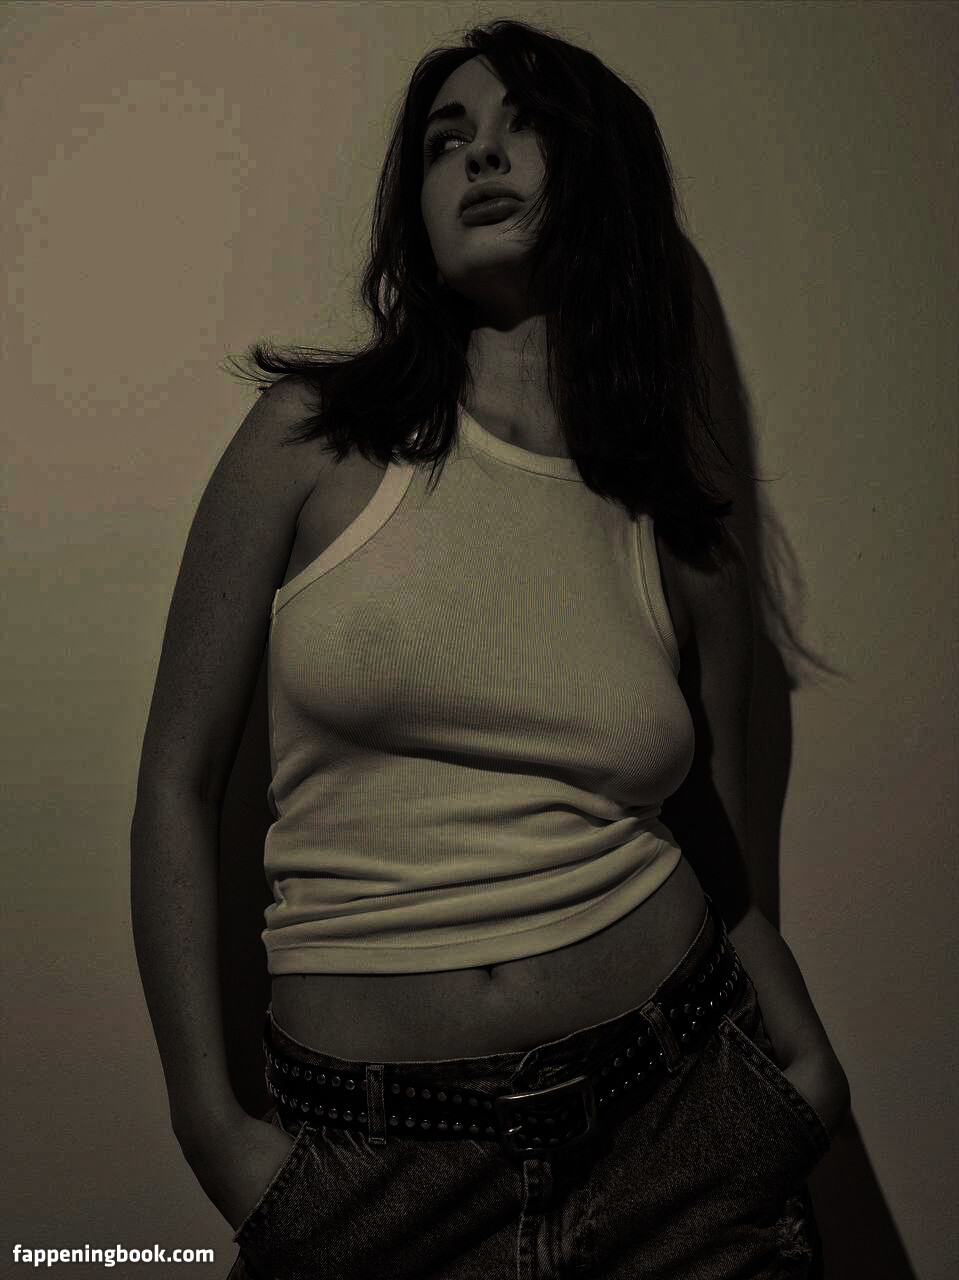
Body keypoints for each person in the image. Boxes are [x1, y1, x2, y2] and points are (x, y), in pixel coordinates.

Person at [130, 18, 850, 1280]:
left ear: (599, 173)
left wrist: (796, 1074)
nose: (479, 156)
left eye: (524, 128)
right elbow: (176, 784)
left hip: (676, 1120)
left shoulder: (673, 523)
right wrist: (212, 1128)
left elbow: (720, 844)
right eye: (444, 139)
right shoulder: (308, 441)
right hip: (371, 1163)